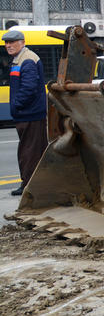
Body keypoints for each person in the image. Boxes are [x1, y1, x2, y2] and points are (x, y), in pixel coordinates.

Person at [4, 29, 48, 196]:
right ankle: (34, 183)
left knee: (29, 151)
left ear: (22, 42)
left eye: (12, 42)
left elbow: (29, 88)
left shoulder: (27, 59)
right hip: (28, 114)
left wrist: (16, 105)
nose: (8, 45)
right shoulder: (20, 59)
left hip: (30, 114)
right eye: (6, 42)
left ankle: (29, 185)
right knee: (32, 149)